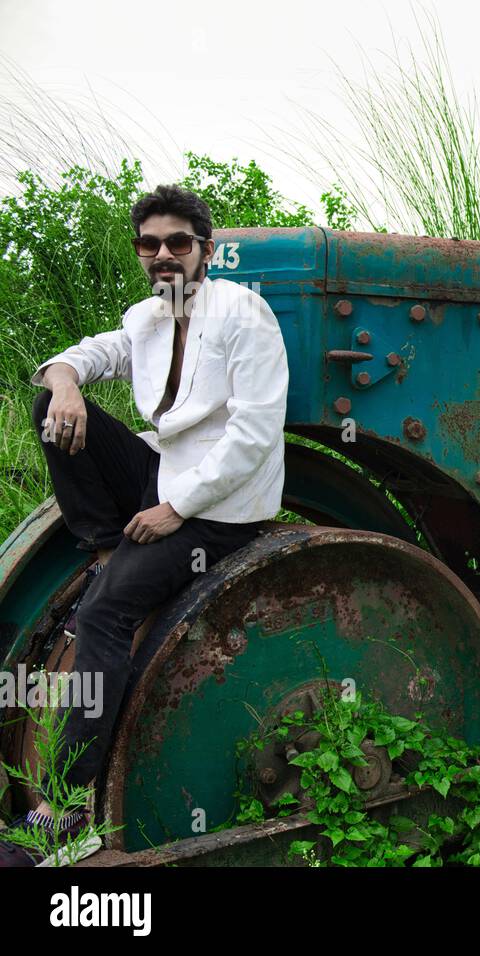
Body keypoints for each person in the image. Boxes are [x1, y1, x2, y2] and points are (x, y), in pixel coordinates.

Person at [0, 184, 288, 866]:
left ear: (205, 251)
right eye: (150, 244)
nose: (164, 255)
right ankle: (105, 544)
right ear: (140, 253)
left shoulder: (244, 316)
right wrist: (66, 381)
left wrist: (174, 510)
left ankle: (64, 812)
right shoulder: (149, 317)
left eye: (178, 243)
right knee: (53, 407)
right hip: (161, 482)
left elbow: (252, 435)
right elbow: (90, 355)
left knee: (103, 615)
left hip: (220, 509)